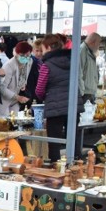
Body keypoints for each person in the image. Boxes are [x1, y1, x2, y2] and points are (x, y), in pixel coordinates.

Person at [35, 34, 75, 162]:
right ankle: (73, 167)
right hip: (74, 105)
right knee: (73, 140)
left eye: (42, 49)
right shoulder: (72, 60)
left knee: (54, 143)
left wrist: (45, 98)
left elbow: (39, 89)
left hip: (55, 107)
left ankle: (56, 168)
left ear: (47, 47)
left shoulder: (46, 65)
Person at [0, 41, 36, 116]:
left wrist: (23, 84)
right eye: (22, 55)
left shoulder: (30, 61)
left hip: (15, 100)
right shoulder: (9, 66)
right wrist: (18, 97)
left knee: (16, 121)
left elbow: (25, 76)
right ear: (16, 54)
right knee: (4, 123)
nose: (25, 58)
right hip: (4, 100)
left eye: (28, 55)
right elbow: (2, 88)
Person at [78, 32, 102, 104]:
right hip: (84, 93)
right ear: (93, 42)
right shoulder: (82, 50)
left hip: (89, 92)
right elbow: (79, 72)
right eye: (98, 43)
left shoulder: (89, 51)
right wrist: (81, 92)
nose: (98, 46)